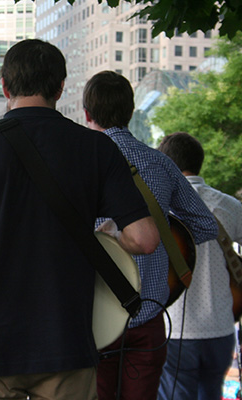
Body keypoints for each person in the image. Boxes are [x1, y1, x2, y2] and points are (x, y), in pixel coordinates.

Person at [0, 39, 160, 400]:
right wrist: (107, 240)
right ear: (61, 87)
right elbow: (144, 239)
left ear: (4, 85)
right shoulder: (96, 148)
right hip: (67, 345)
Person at [82, 71, 219, 400]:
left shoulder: (79, 162)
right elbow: (204, 224)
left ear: (87, 113)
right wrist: (159, 228)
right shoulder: (160, 162)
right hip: (148, 318)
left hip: (95, 317)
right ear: (131, 112)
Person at [156, 132, 242, 400]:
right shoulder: (229, 206)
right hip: (221, 328)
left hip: (176, 331)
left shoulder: (160, 209)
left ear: (165, 163)